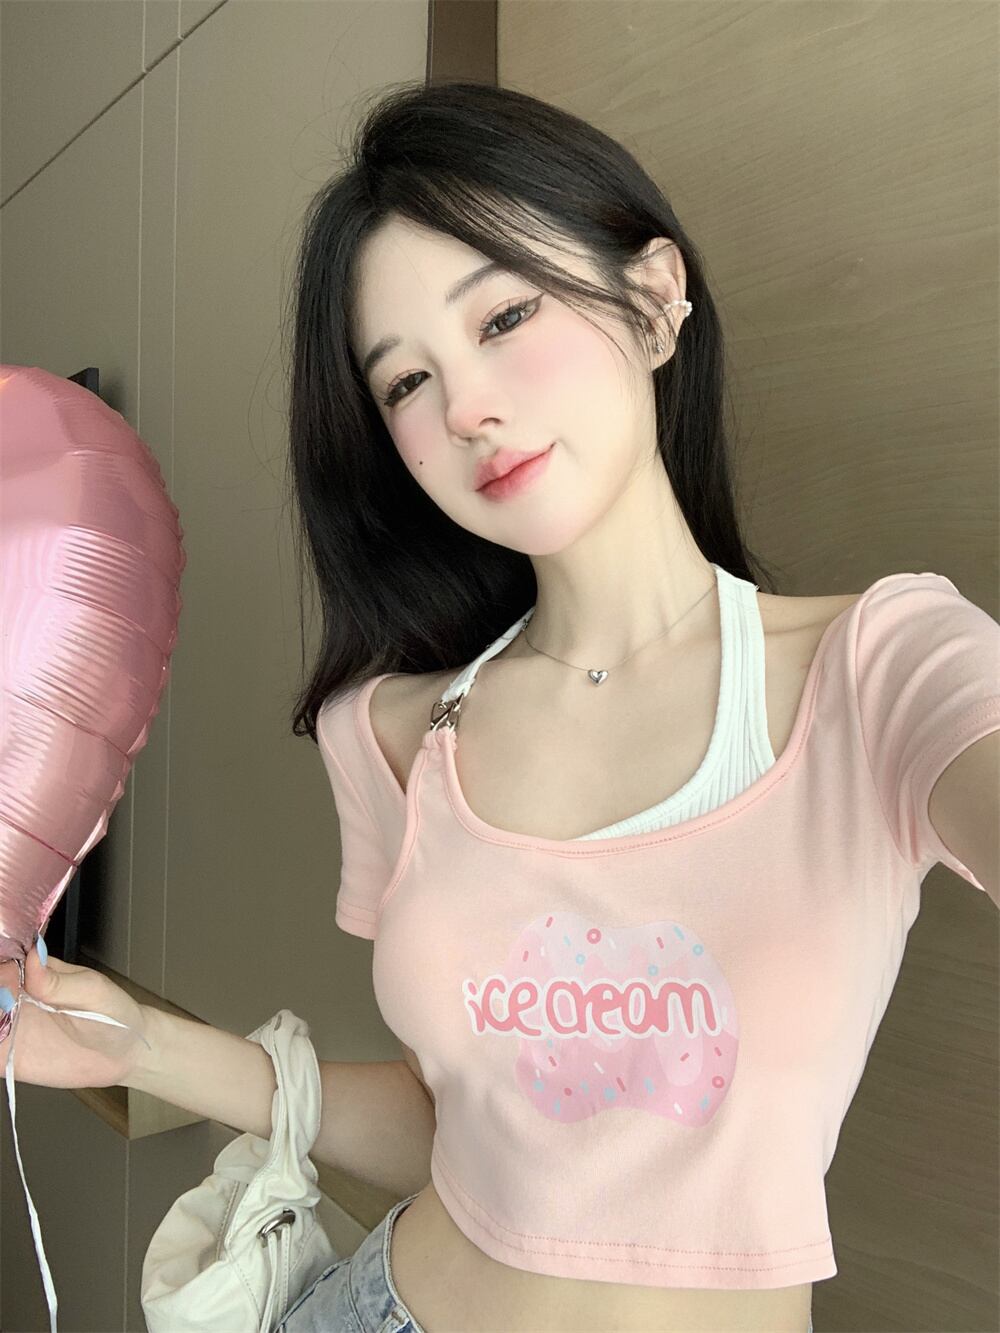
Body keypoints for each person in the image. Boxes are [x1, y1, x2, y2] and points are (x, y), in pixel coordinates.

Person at [5, 79, 998, 1333]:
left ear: (654, 300)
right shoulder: (389, 736)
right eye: (405, 382)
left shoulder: (881, 670)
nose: (465, 406)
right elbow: (470, 1140)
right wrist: (139, 1045)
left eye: (506, 315)